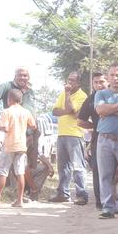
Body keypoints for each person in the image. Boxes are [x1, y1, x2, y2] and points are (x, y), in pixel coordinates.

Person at [0, 89, 36, 207]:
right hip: (22, 145)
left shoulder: (6, 112)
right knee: (20, 172)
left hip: (9, 146)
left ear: (9, 99)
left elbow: (6, 128)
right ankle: (20, 200)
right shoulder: (26, 112)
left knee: (3, 172)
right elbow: (33, 125)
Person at [94, 64, 118, 219]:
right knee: (105, 175)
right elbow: (100, 110)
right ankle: (108, 208)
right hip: (104, 139)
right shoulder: (101, 93)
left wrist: (110, 109)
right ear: (108, 78)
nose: (115, 78)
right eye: (112, 75)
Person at [49, 71, 89, 204]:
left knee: (78, 166)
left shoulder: (82, 96)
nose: (70, 83)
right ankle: (63, 194)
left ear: (78, 83)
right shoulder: (62, 93)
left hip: (75, 134)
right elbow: (55, 111)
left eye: (73, 80)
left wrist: (67, 97)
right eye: (69, 79)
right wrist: (67, 110)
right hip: (61, 134)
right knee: (63, 167)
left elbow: (73, 111)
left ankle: (81, 194)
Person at [78, 72, 109, 209]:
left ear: (107, 81)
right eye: (95, 82)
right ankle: (100, 203)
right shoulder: (91, 99)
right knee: (99, 171)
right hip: (99, 139)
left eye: (101, 81)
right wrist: (96, 126)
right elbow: (80, 121)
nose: (99, 85)